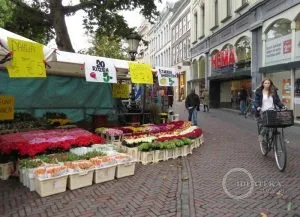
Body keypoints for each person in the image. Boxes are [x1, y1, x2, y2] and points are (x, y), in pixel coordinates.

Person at [254, 79, 286, 145]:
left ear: (270, 84)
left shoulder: (273, 91)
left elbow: (277, 101)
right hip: (262, 112)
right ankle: (261, 137)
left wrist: (282, 106)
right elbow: (256, 101)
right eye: (265, 83)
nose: (267, 84)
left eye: (268, 83)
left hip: (272, 111)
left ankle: (275, 141)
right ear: (263, 84)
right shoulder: (259, 92)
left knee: (276, 124)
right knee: (266, 127)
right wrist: (258, 107)